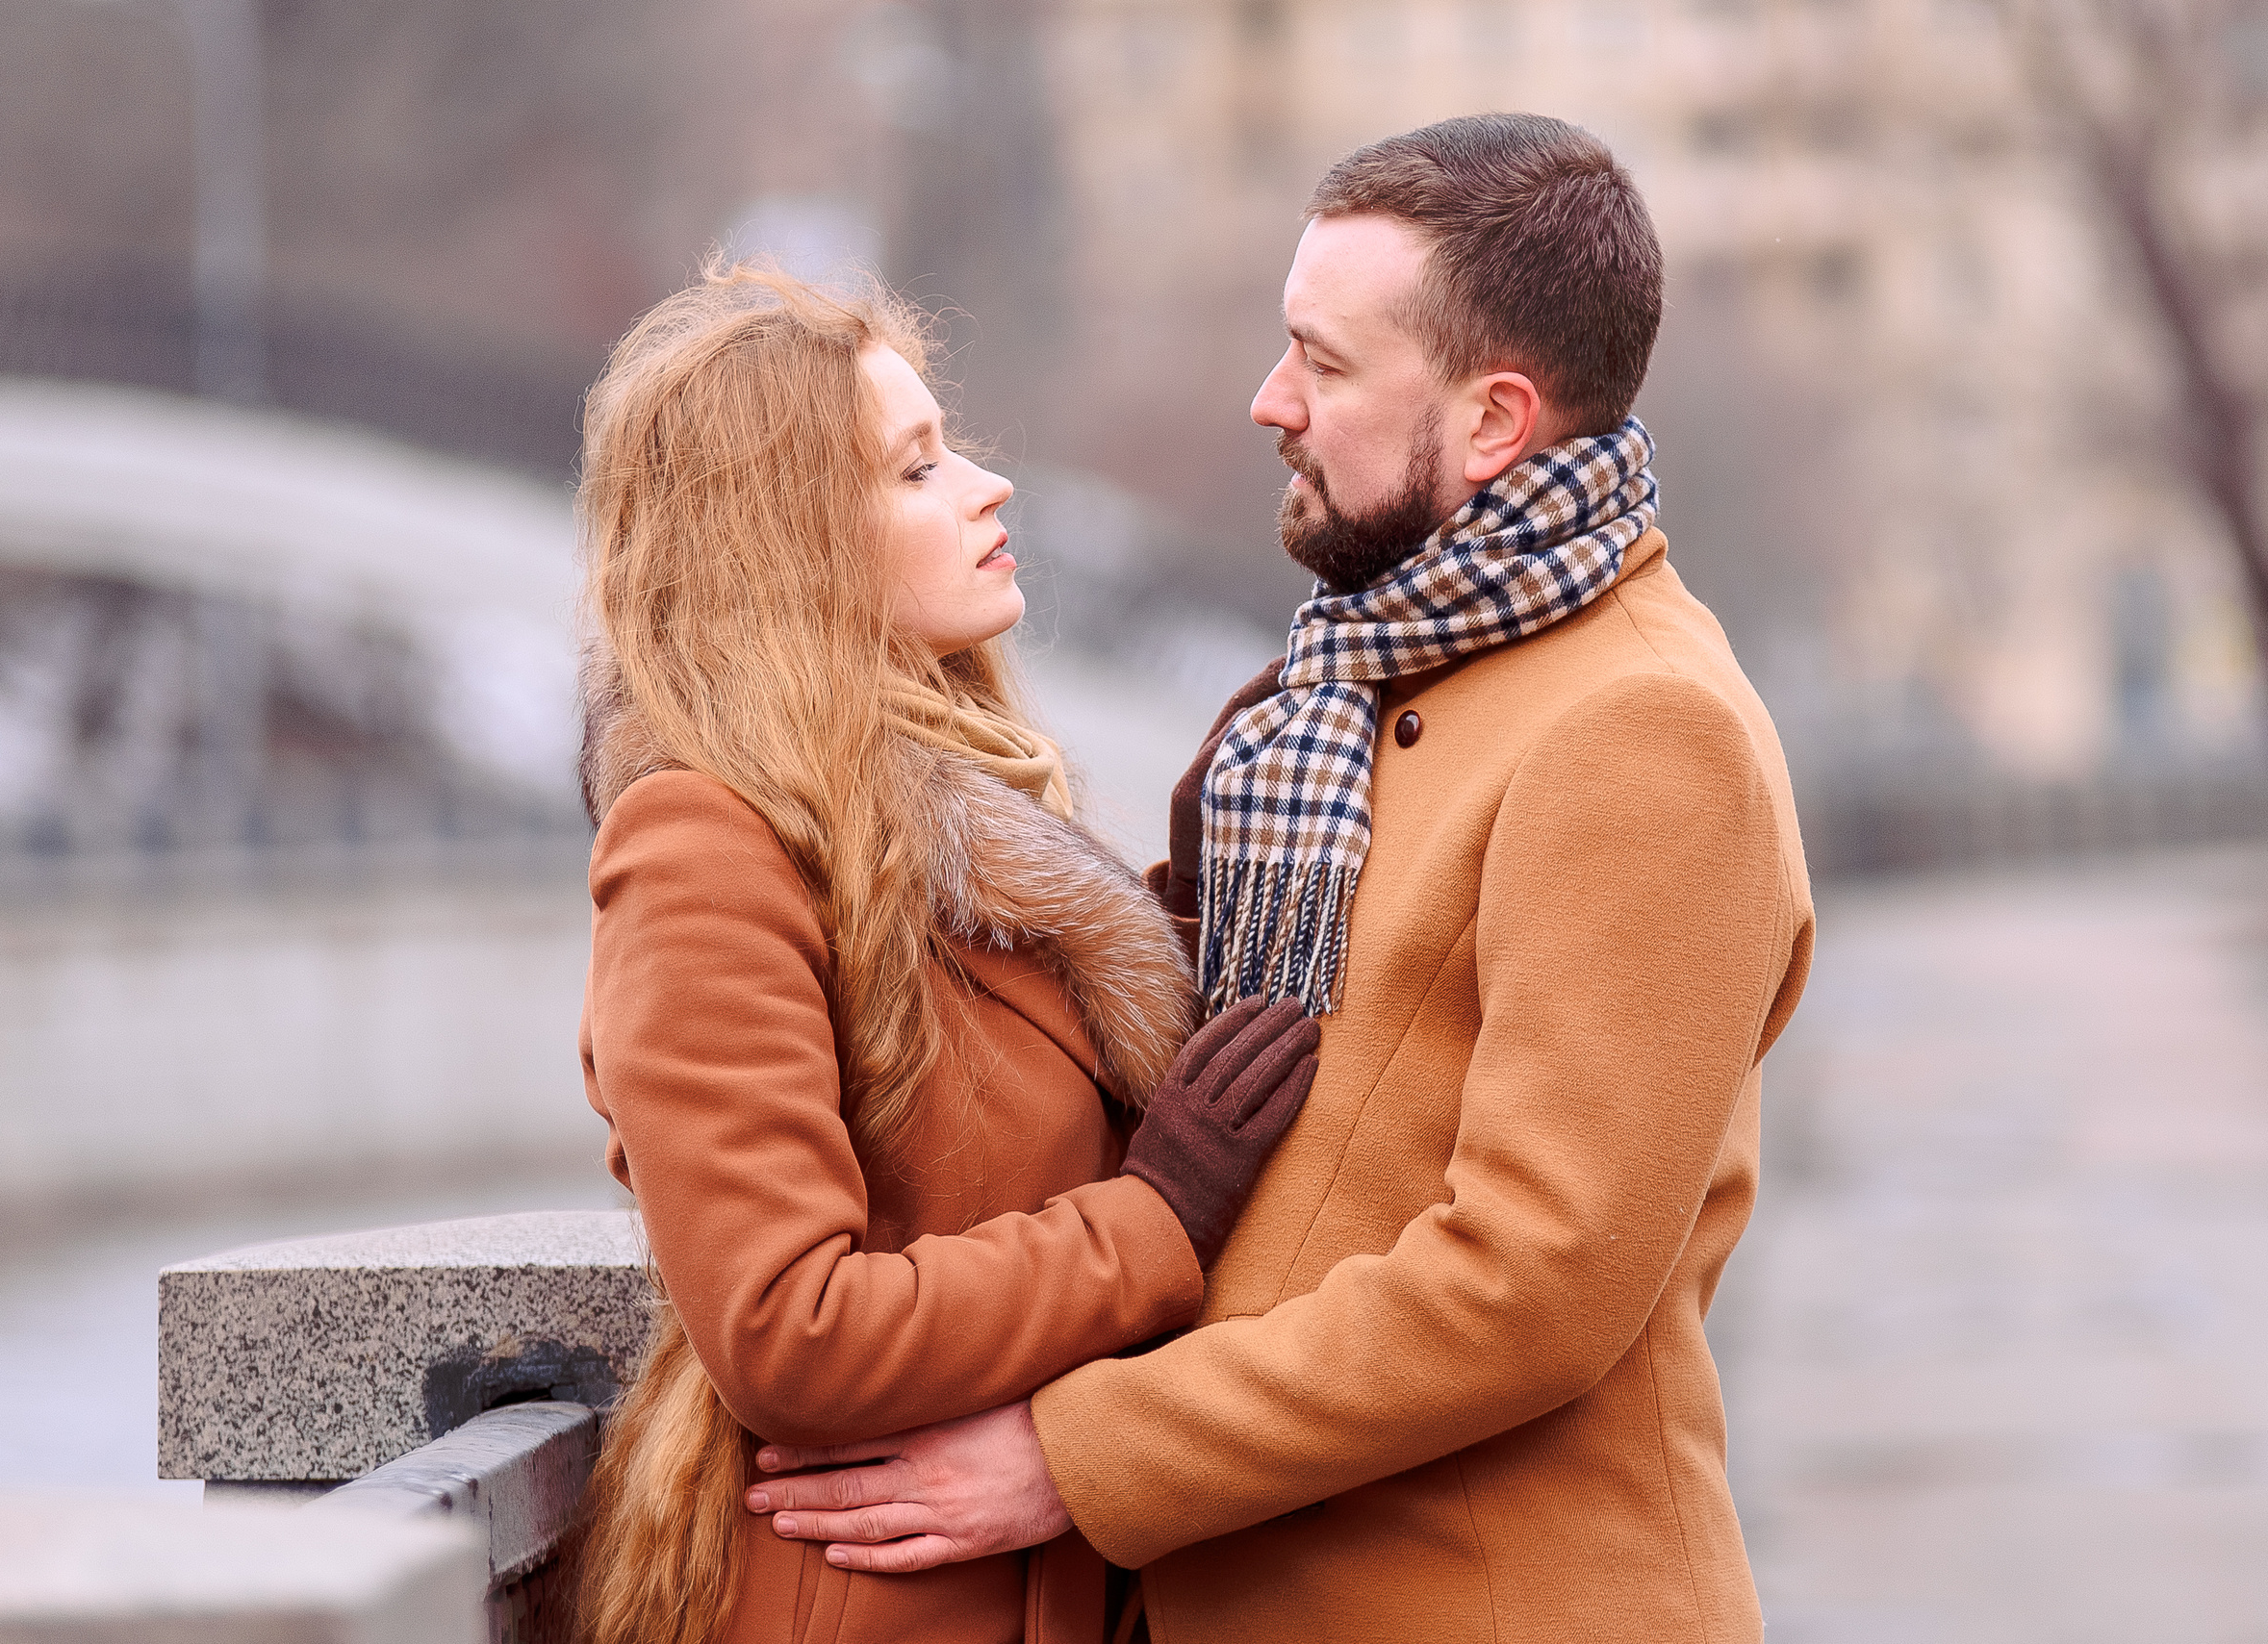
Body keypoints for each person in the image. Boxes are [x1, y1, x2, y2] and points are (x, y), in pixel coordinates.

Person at [738, 114, 1819, 1643]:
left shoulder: (1644, 730)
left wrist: (1072, 1457)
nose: (1271, 400)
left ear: (1495, 420)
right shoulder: (1342, 698)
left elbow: (1534, 1283)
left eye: (1323, 361)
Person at [567, 263, 1321, 1644]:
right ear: (790, 542)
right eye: (917, 470)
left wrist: (1196, 884)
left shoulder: (958, 829)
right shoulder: (702, 844)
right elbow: (786, 1328)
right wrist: (1156, 1217)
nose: (987, 486)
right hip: (859, 1601)